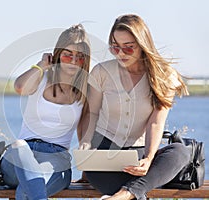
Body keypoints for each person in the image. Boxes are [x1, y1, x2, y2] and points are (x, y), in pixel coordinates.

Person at [78, 14, 191, 200]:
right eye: (115, 47)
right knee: (97, 166)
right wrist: (86, 144)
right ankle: (131, 192)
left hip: (139, 154)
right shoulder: (101, 72)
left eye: (128, 48)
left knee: (180, 152)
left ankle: (123, 194)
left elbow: (156, 122)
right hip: (105, 154)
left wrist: (148, 159)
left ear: (142, 44)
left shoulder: (164, 76)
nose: (120, 53)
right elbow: (91, 113)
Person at [0, 24, 91, 200]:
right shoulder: (41, 78)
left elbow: (84, 136)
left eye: (79, 57)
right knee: (19, 146)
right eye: (67, 55)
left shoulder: (84, 92)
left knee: (29, 189)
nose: (73, 61)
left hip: (56, 159)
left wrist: (86, 172)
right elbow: (19, 87)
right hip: (20, 156)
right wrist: (42, 65)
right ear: (57, 54)